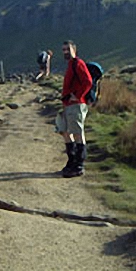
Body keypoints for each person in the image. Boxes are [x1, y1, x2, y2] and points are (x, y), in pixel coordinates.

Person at [57, 40, 93, 178]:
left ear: (74, 49)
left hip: (77, 104)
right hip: (68, 105)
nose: (65, 52)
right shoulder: (71, 65)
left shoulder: (78, 63)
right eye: (64, 50)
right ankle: (72, 162)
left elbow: (88, 81)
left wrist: (77, 96)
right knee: (65, 131)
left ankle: (79, 165)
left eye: (68, 49)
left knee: (78, 133)